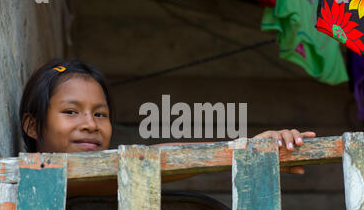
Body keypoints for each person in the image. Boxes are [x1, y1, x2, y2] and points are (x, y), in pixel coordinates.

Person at [20, 59, 317, 196]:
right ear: (33, 126)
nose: (90, 125)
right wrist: (244, 150)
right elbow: (155, 159)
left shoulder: (104, 180)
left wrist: (253, 149)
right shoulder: (34, 178)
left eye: (100, 114)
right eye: (71, 111)